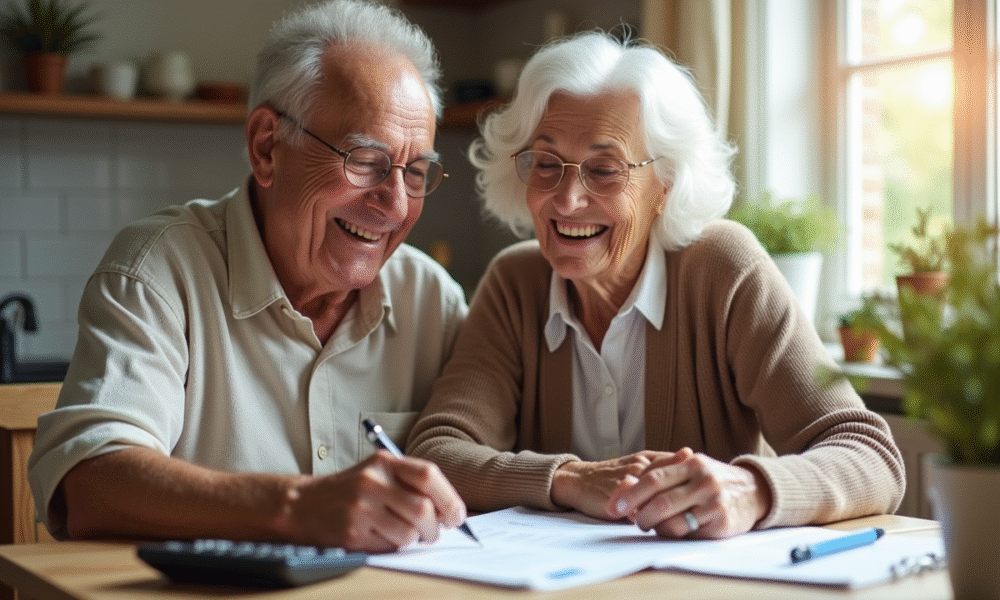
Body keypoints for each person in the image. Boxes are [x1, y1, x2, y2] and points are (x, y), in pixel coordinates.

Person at [406, 32, 904, 540]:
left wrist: (751, 489)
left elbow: (870, 455)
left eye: (604, 170)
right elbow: (437, 453)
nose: (568, 199)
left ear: (665, 185)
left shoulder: (724, 271)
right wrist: (569, 480)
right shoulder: (515, 285)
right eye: (548, 164)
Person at [28, 0, 469, 553]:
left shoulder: (432, 299)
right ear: (267, 147)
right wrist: (297, 506)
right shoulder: (159, 270)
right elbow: (89, 484)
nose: (396, 205)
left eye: (416, 172)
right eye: (365, 161)